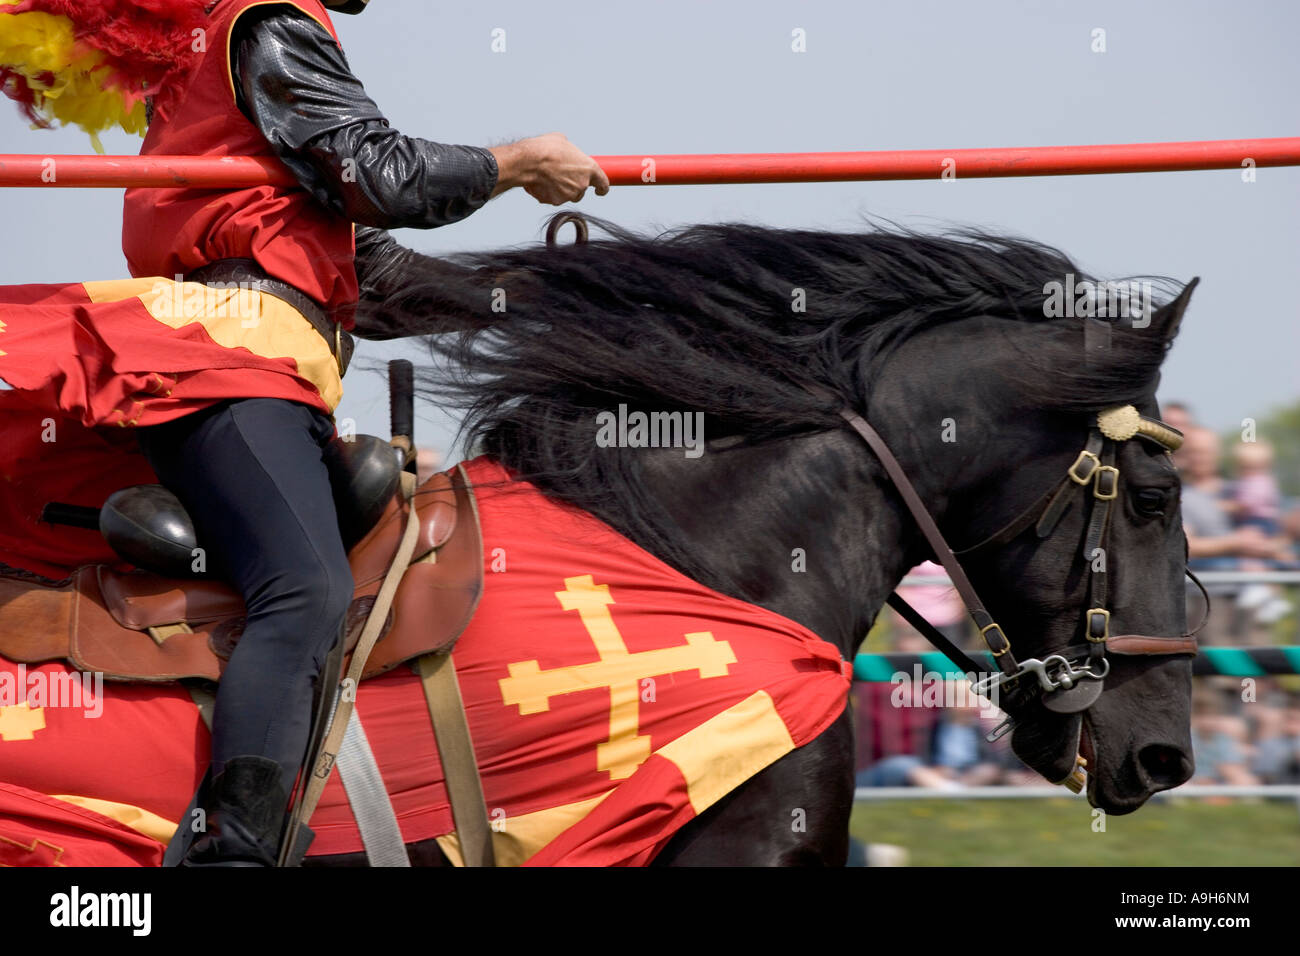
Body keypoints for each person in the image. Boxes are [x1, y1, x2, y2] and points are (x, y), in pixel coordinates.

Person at [0, 0, 608, 866]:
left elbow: (371, 274)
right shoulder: (273, 16)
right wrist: (519, 162)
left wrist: (544, 299)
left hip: (252, 364)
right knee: (307, 589)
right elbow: (382, 172)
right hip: (230, 365)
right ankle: (232, 844)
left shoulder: (214, 61)